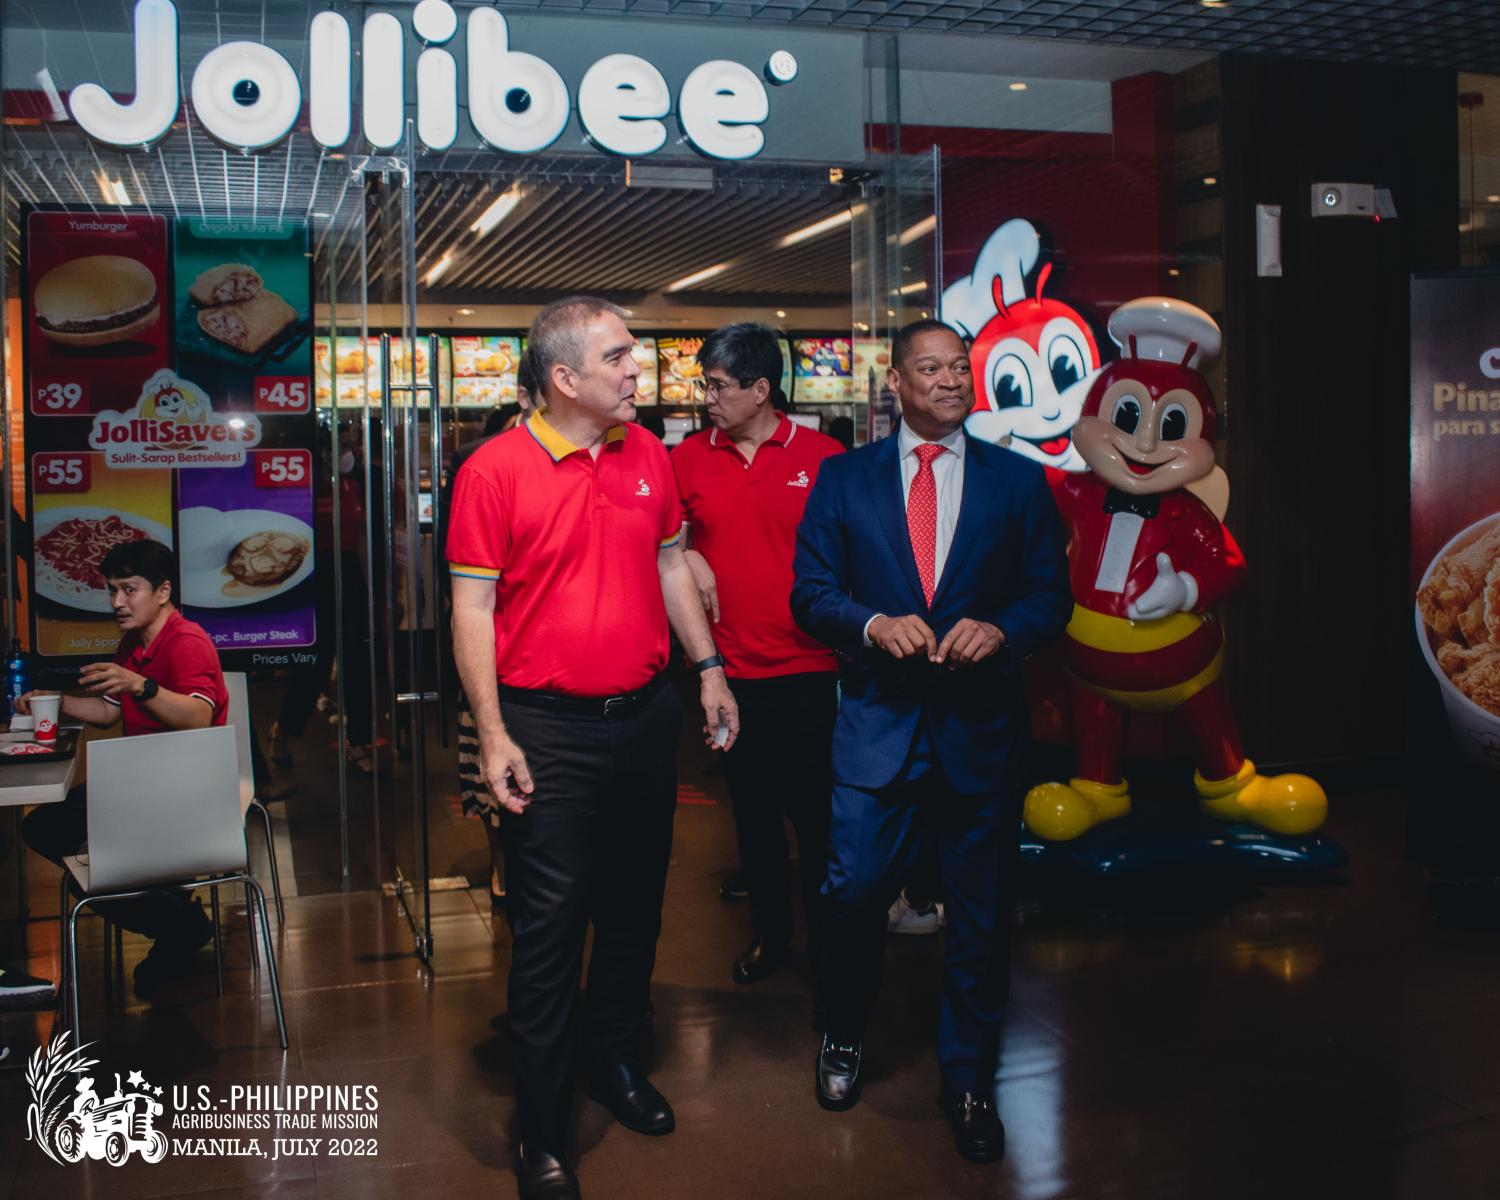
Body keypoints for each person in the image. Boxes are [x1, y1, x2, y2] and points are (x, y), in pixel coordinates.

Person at [447, 296, 738, 1200]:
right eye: (618, 358)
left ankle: (613, 1059)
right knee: (547, 930)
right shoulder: (494, 471)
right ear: (563, 378)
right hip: (546, 728)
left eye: (635, 356)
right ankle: (541, 1128)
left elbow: (669, 566)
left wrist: (709, 668)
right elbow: (473, 609)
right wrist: (493, 733)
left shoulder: (647, 453)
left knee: (635, 909)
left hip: (644, 718)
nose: (637, 371)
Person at [791, 319, 1071, 1163]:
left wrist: (1005, 631)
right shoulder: (845, 480)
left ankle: (972, 1082)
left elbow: (1048, 599)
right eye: (932, 368)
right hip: (877, 730)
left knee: (981, 920)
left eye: (961, 367)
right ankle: (842, 1034)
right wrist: (872, 623)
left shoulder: (1019, 482)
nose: (950, 380)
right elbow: (810, 595)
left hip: (979, 733)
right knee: (851, 894)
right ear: (896, 380)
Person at [671, 323, 843, 987]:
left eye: (719, 386)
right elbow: (654, 547)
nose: (708, 397)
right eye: (706, 383)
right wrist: (687, 553)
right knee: (754, 817)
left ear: (760, 389)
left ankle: (833, 946)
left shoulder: (826, 458)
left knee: (818, 818)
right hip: (727, 676)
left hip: (809, 670)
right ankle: (772, 936)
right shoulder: (686, 459)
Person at [20, 539, 230, 998]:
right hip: (143, 787)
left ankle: (175, 919)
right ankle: (166, 903)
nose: (117, 602)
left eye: (128, 589)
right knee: (49, 829)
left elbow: (197, 715)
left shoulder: (187, 641)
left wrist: (142, 684)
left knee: (79, 864)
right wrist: (54, 703)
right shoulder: (133, 643)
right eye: (112, 590)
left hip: (185, 795)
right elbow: (108, 712)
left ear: (163, 591)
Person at [443, 390, 527, 912]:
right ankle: (500, 862)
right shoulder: (479, 461)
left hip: (535, 658)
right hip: (488, 643)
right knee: (484, 765)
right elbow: (462, 581)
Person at [268, 419, 376, 775]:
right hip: (312, 574)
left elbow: (362, 539)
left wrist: (377, 589)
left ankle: (358, 742)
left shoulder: (353, 482)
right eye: (338, 445)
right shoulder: (300, 485)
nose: (344, 451)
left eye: (346, 445)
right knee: (313, 662)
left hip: (349, 574)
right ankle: (283, 728)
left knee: (358, 660)